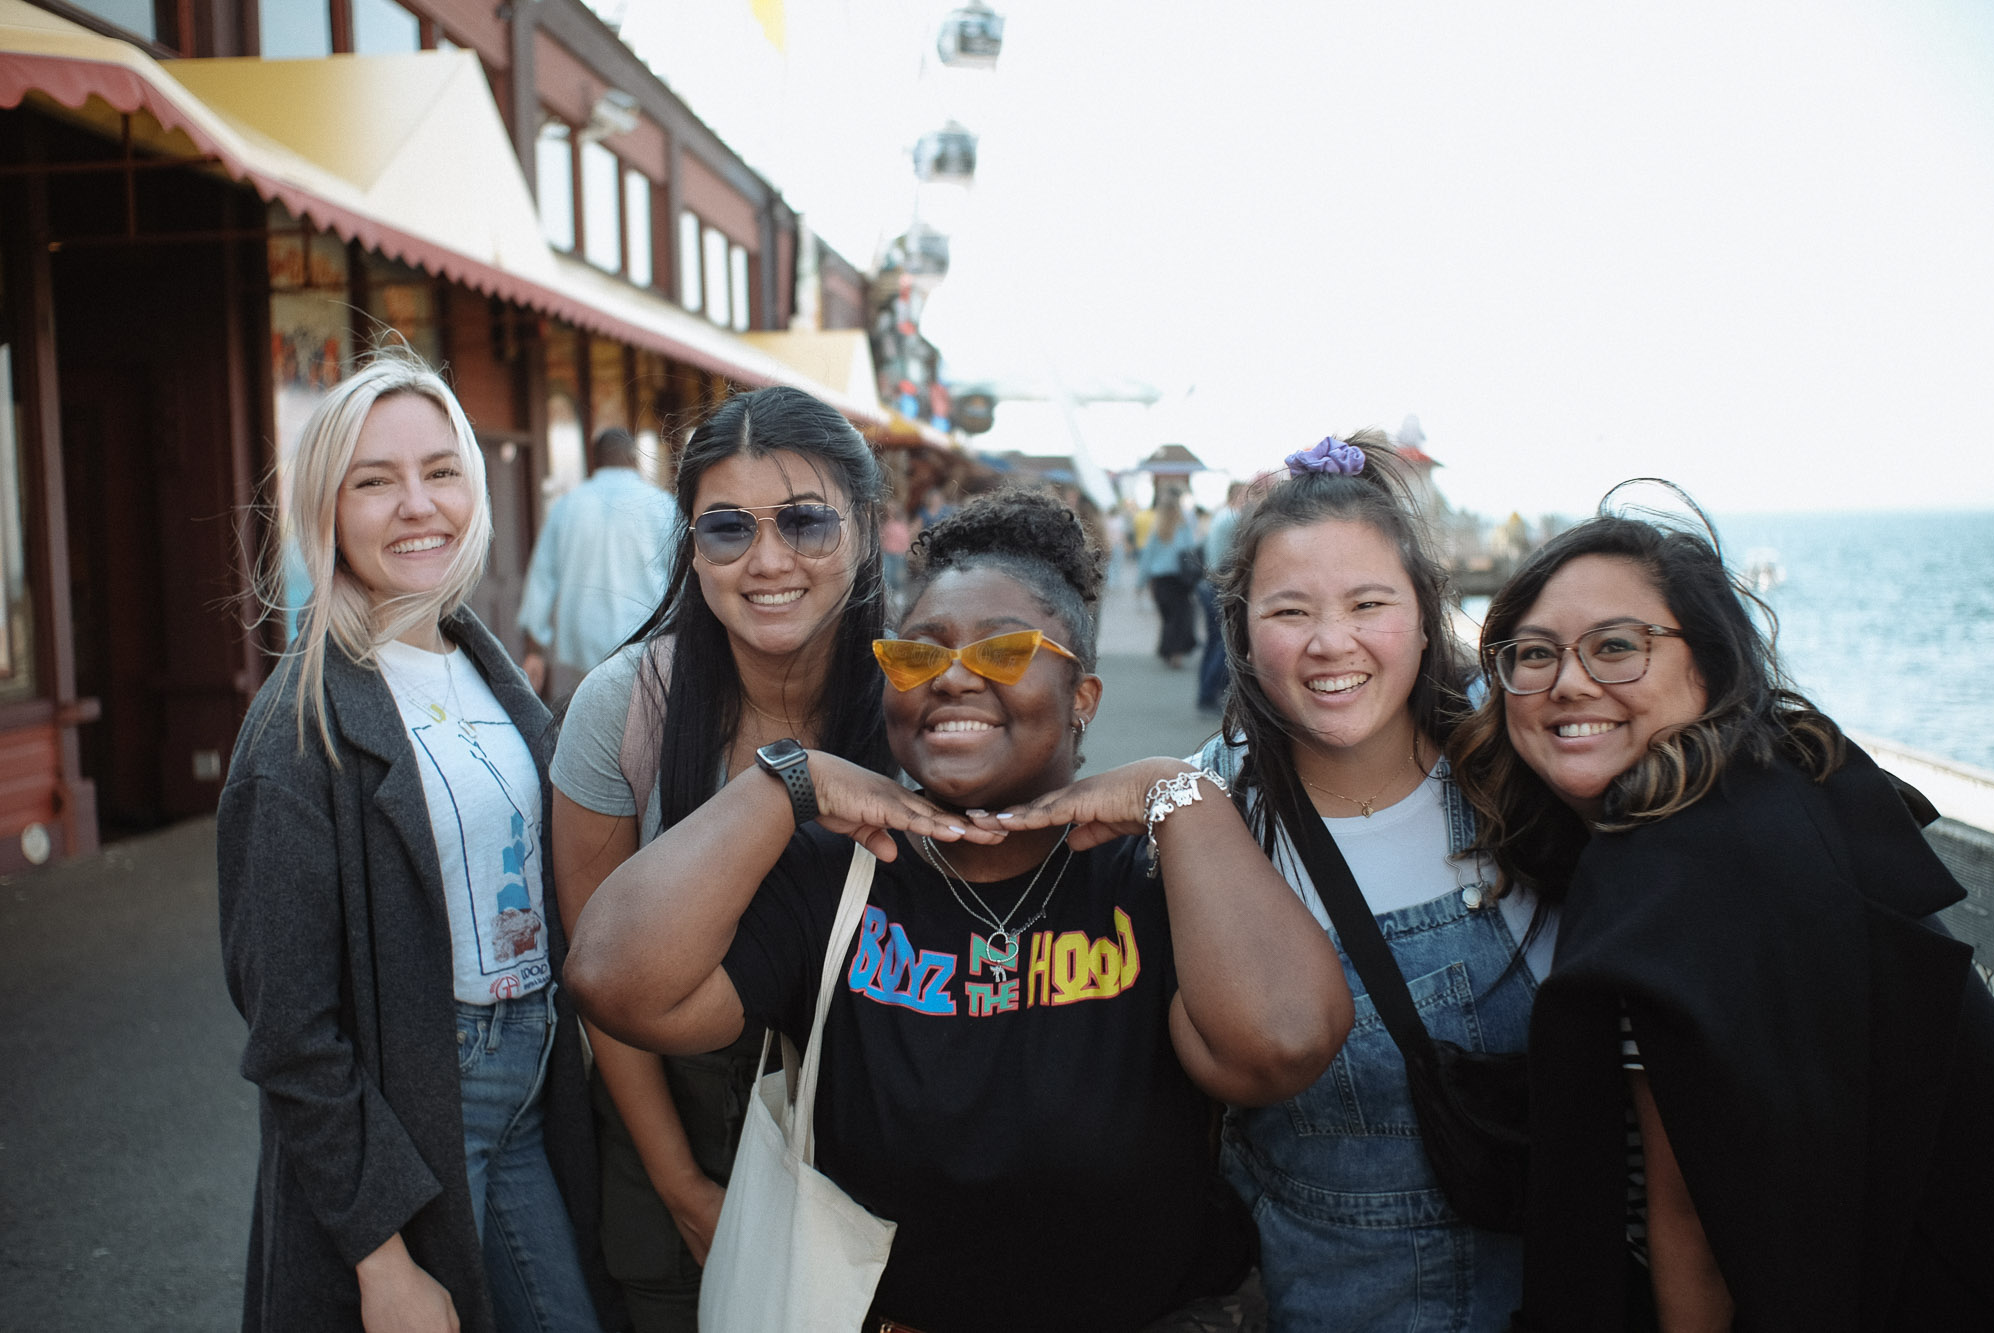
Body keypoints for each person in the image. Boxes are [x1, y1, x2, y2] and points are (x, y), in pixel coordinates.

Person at [564, 488, 1353, 1333]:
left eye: (1005, 651)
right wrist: (787, 781)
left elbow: (1285, 1043)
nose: (953, 677)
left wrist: (1182, 796)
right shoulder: (838, 876)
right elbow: (615, 979)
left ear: (1083, 697)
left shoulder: (1155, 881)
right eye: (917, 655)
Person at [1448, 487, 1994, 1330]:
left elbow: (1697, 1221)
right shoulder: (1783, 790)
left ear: (1706, 662)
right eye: (1533, 653)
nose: (1569, 682)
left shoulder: (1674, 883)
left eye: (1618, 647)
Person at [217, 348, 616, 1333]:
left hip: (531, 1075)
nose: (417, 504)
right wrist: (379, 1258)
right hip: (417, 1110)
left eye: (440, 471)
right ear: (326, 509)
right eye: (374, 480)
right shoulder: (292, 736)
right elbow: (291, 1036)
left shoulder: (479, 664)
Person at [547, 385, 897, 1332]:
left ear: (867, 528)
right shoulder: (622, 710)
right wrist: (681, 1186)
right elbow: (603, 992)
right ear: (691, 545)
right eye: (728, 527)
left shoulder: (923, 701)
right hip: (676, 1130)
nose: (767, 560)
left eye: (806, 521)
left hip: (884, 1142)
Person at [1195, 432, 1548, 1332]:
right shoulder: (1206, 809)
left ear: (1427, 616)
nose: (1331, 642)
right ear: (1239, 629)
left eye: (1368, 602)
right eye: (1289, 612)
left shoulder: (1524, 779)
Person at [518, 427, 680, 702]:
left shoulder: (567, 505)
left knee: (590, 722)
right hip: (648, 643)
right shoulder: (661, 505)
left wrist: (535, 650)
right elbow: (682, 577)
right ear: (634, 459)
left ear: (594, 462)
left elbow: (542, 578)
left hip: (583, 649)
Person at [1196, 481, 1247, 711]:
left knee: (1213, 641)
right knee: (1223, 642)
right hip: (1222, 584)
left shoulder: (1220, 517)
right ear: (1237, 495)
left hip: (1210, 582)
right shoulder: (1232, 520)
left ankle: (1205, 692)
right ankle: (1209, 692)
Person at [1138, 489, 1201, 667]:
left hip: (1160, 581)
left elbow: (1147, 558)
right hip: (1179, 579)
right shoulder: (1183, 528)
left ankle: (1167, 649)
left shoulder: (1157, 531)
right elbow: (1192, 551)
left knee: (1167, 617)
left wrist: (1141, 583)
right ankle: (1175, 652)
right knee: (1180, 617)